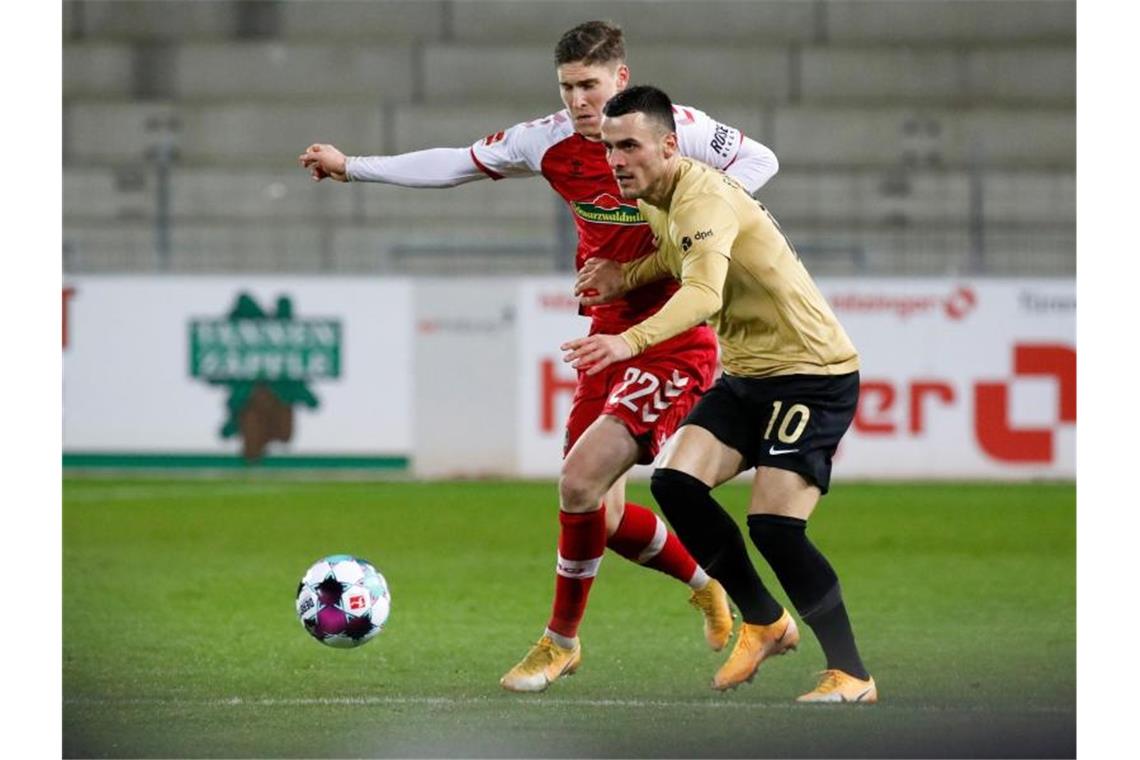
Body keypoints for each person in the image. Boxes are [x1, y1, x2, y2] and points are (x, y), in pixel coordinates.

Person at [299, 20, 780, 693]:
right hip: (602, 334)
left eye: (590, 84)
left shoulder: (682, 130)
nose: (580, 99)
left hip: (674, 334)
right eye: (568, 86)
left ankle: (560, 643)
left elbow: (761, 162)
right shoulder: (547, 139)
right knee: (599, 515)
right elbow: (457, 163)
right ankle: (704, 584)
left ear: (620, 78)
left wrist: (674, 247)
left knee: (578, 485)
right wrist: (354, 166)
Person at [566, 85, 876, 703]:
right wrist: (625, 275)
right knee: (676, 484)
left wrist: (627, 343)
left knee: (775, 527)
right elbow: (676, 257)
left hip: (812, 373)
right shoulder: (657, 196)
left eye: (630, 146)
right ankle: (763, 620)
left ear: (669, 145)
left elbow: (703, 294)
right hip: (750, 376)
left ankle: (851, 674)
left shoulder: (700, 197)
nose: (617, 160)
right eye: (609, 148)